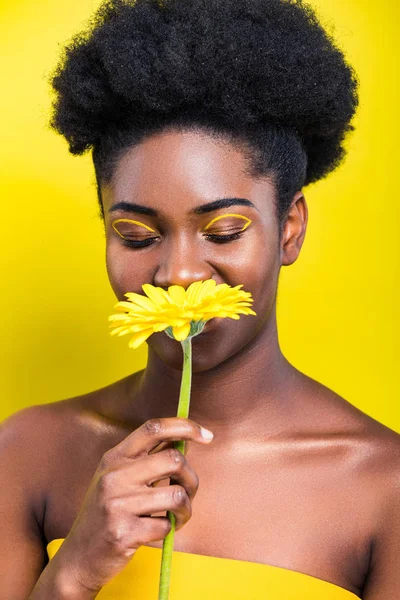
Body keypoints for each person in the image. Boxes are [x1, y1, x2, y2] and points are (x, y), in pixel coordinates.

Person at [1, 0, 399, 598]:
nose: (179, 273)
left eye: (224, 231)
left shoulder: (382, 485)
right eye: (136, 235)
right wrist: (74, 572)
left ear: (289, 228)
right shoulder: (30, 450)